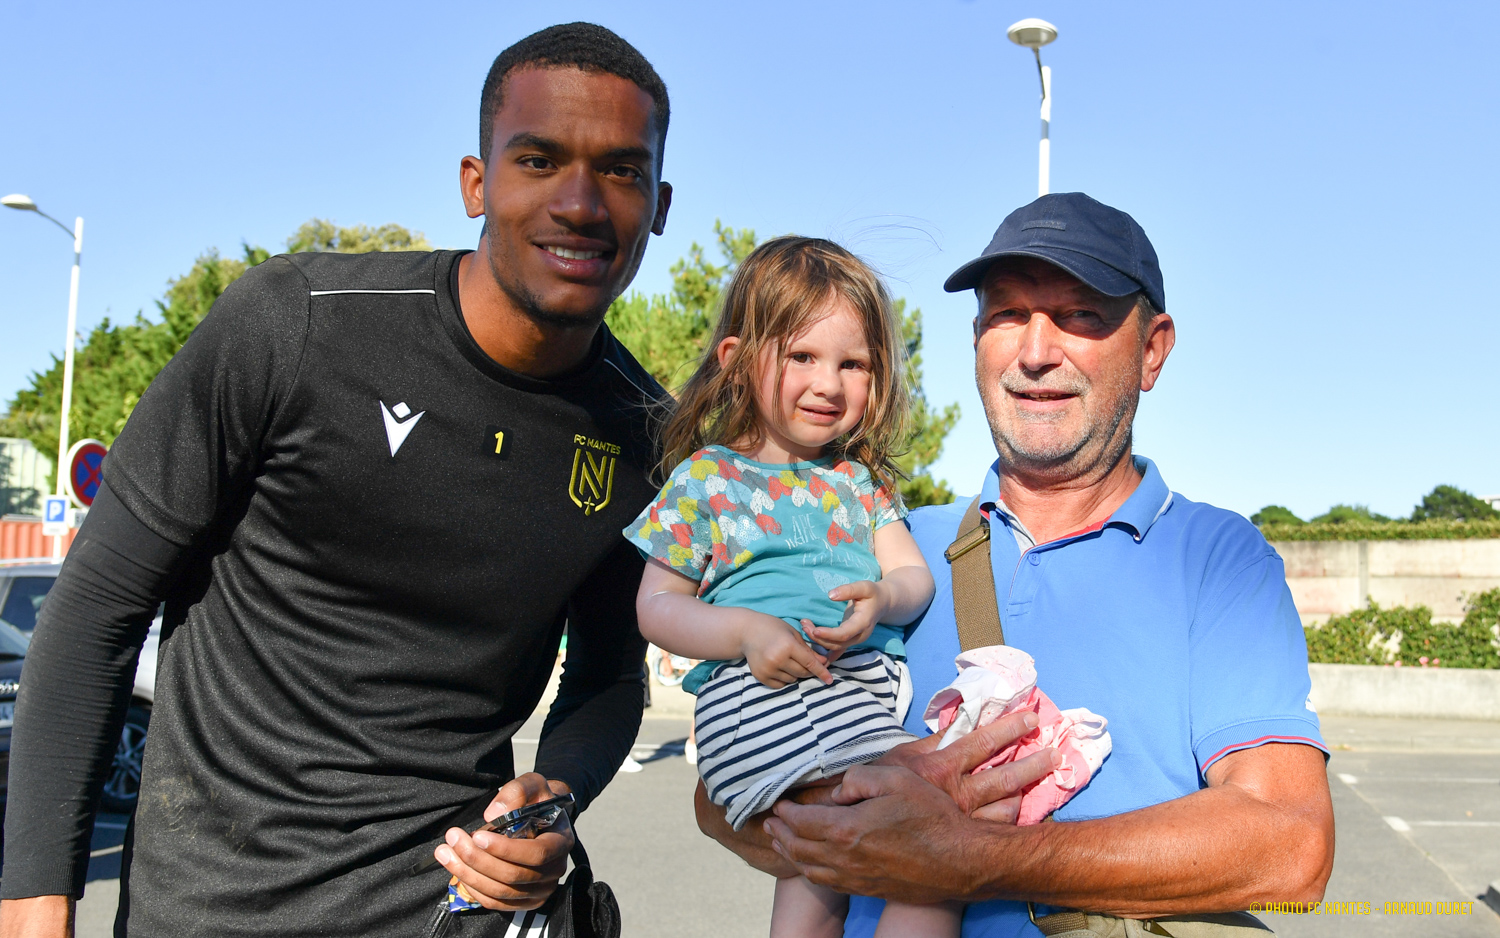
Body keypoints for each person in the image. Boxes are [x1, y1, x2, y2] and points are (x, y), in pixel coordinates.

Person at [1, 22, 674, 938]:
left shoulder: (646, 435)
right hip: (210, 912)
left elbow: (610, 676)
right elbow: (96, 609)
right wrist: (35, 905)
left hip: (452, 913)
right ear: (476, 183)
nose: (582, 203)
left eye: (622, 171)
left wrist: (553, 799)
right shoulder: (296, 326)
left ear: (658, 205)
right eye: (539, 160)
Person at [700, 192, 1336, 937]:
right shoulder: (885, 552)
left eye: (1080, 315)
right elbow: (719, 796)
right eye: (1007, 314)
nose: (1036, 352)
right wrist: (843, 807)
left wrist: (969, 855)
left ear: (1153, 349)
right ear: (977, 341)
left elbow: (1291, 844)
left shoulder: (1219, 560)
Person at [628, 238, 959, 938]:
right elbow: (656, 607)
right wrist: (746, 631)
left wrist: (882, 599)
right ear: (737, 362)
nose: (828, 383)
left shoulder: (859, 483)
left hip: (849, 696)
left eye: (853, 364)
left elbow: (913, 577)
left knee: (819, 877)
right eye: (802, 356)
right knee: (935, 828)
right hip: (763, 700)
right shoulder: (708, 478)